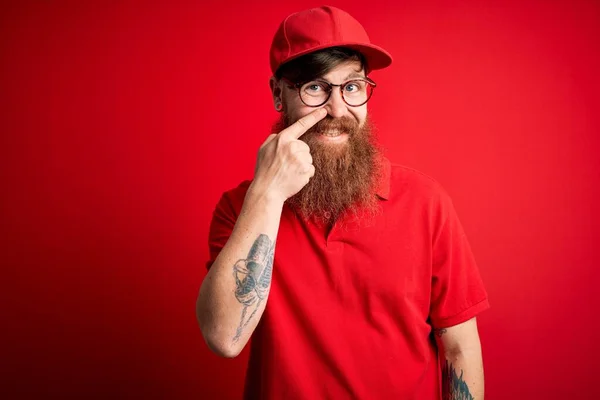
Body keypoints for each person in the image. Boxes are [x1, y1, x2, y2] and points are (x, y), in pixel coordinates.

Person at [196, 5, 489, 399]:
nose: (338, 109)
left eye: (352, 86)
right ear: (278, 94)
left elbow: (458, 345)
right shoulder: (240, 208)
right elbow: (224, 338)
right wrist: (266, 195)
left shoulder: (426, 202)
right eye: (315, 87)